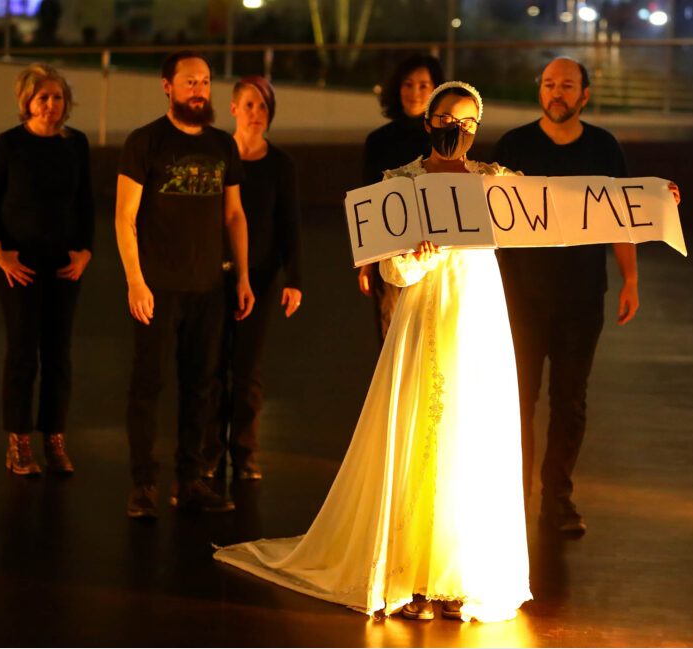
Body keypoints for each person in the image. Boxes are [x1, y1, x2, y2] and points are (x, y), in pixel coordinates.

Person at [215, 81, 531, 623]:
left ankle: (458, 574)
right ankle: (411, 573)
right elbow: (391, 269)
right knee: (420, 433)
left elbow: (562, 211)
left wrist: (647, 202)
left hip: (476, 320)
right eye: (444, 118)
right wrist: (417, 257)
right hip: (423, 316)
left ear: (476, 130)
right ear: (428, 120)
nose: (453, 129)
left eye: (464, 122)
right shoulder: (400, 183)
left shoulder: (494, 183)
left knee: (467, 437)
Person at [492, 57, 680, 535]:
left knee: (570, 401)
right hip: (521, 299)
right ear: (541, 92)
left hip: (580, 298)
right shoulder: (513, 146)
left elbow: (622, 214)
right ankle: (511, 497)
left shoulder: (603, 147)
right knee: (518, 399)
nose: (557, 92)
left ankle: (557, 497)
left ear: (584, 95)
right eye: (549, 84)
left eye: (567, 85)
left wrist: (631, 278)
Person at [115, 50, 255, 518]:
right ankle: (142, 485)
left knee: (202, 386)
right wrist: (136, 281)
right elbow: (124, 217)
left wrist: (243, 275)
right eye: (189, 81)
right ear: (167, 86)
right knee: (149, 384)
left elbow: (234, 215)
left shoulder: (222, 145)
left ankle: (190, 480)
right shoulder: (145, 142)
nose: (199, 89)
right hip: (157, 288)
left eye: (205, 81)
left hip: (208, 288)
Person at [0, 63, 93, 476]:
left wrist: (85, 252)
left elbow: (85, 203)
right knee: (23, 352)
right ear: (26, 102)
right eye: (43, 97)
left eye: (57, 97)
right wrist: (0, 252)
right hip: (19, 265)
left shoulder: (76, 144)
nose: (51, 104)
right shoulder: (9, 145)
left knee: (59, 354)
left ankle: (54, 439)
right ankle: (19, 443)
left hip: (65, 264)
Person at [201, 76, 303, 481]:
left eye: (263, 107)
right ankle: (209, 453)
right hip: (209, 275)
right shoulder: (215, 156)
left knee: (246, 370)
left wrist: (295, 278)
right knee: (210, 367)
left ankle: (244, 455)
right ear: (233, 109)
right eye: (249, 105)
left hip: (260, 276)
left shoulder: (281, 165)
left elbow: (290, 224)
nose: (256, 114)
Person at [358, 54, 443, 346]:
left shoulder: (445, 138)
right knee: (392, 338)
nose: (415, 92)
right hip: (390, 252)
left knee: (432, 338)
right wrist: (366, 261)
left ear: (437, 90)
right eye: (408, 84)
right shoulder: (378, 140)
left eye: (424, 85)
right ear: (397, 88)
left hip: (436, 253)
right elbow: (368, 197)